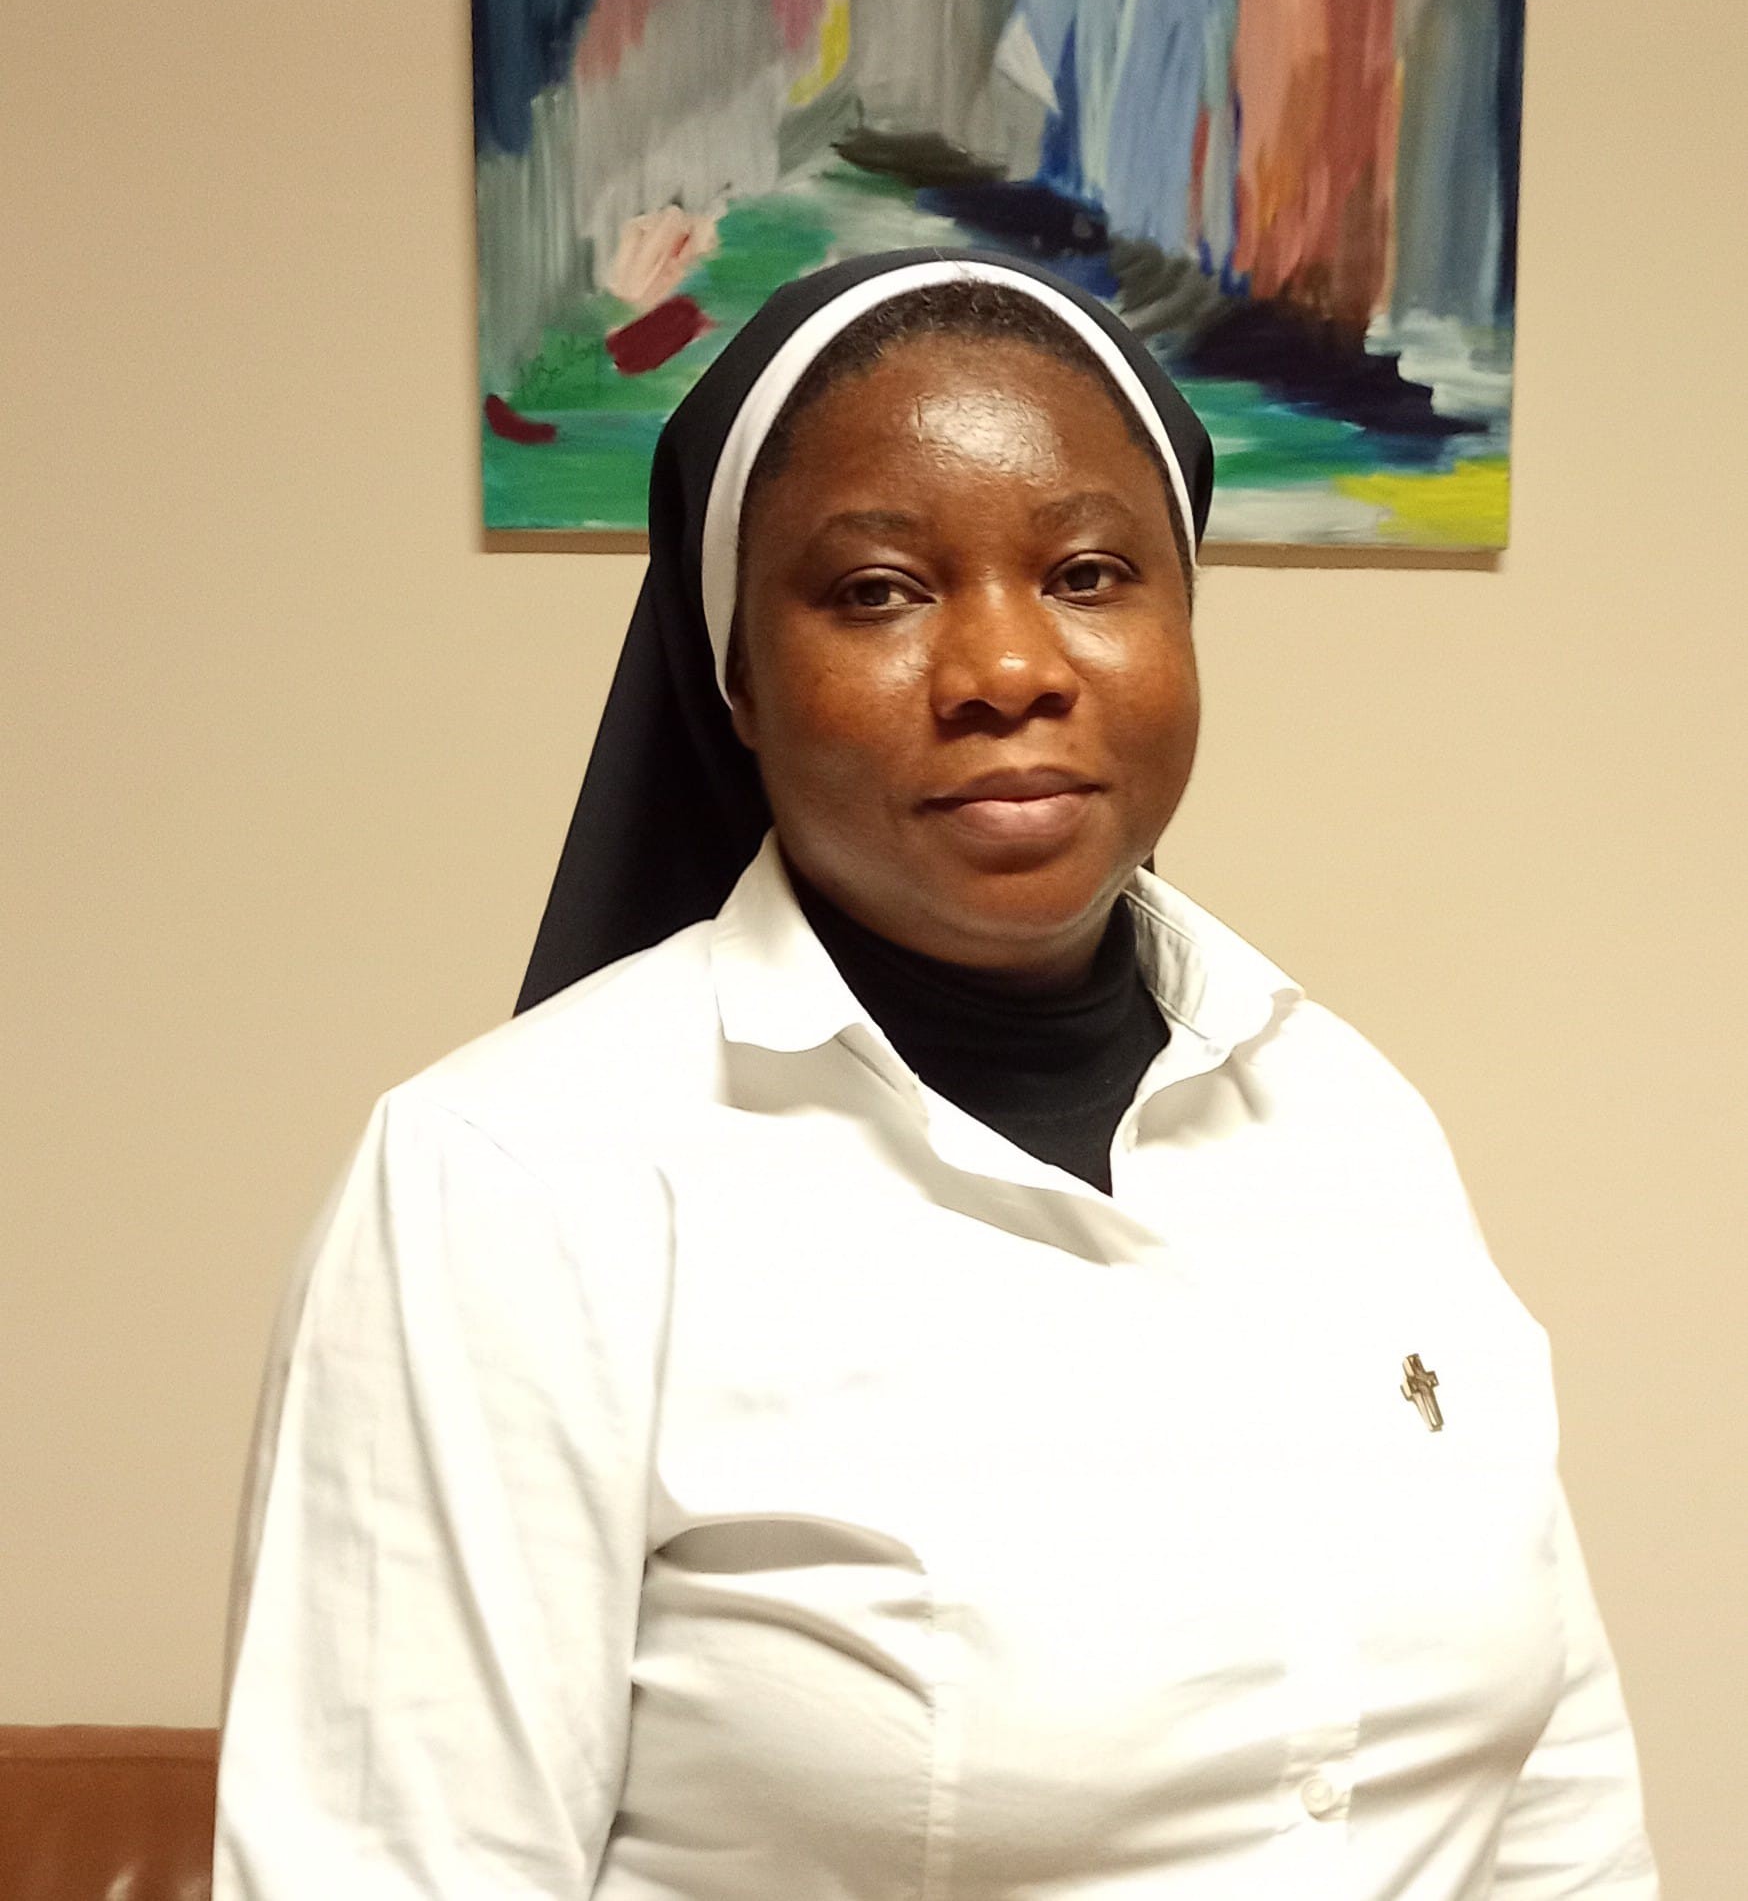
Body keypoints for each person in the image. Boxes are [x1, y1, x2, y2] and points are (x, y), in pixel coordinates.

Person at [213, 250, 1659, 1898]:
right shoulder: (506, 1192)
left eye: (1091, 573)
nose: (1007, 669)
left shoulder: (1348, 1121)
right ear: (736, 675)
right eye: (879, 591)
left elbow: (1560, 1815)